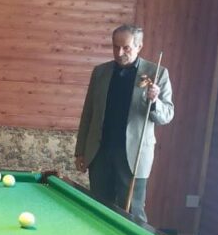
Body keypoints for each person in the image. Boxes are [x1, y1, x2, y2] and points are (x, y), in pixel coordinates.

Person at [75, 24, 174, 224]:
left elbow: (167, 115)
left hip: (134, 156)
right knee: (98, 210)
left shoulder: (157, 73)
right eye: (115, 47)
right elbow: (88, 113)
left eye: (126, 48)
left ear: (139, 46)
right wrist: (80, 151)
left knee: (133, 213)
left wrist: (155, 101)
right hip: (100, 153)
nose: (119, 53)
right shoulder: (100, 72)